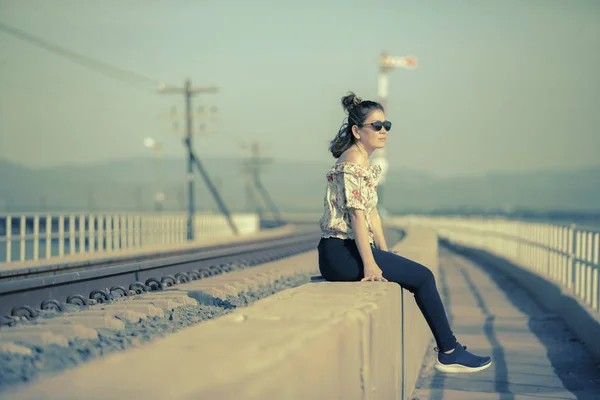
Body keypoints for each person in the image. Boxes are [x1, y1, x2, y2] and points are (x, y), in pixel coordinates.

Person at [317, 92, 492, 373]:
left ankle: (450, 349)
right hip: (340, 253)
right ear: (356, 131)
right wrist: (371, 264)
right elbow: (357, 216)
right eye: (376, 126)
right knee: (423, 277)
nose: (384, 131)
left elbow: (372, 213)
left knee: (416, 275)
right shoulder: (352, 164)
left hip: (342, 251)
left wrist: (383, 251)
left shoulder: (362, 161)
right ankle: (449, 351)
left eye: (387, 125)